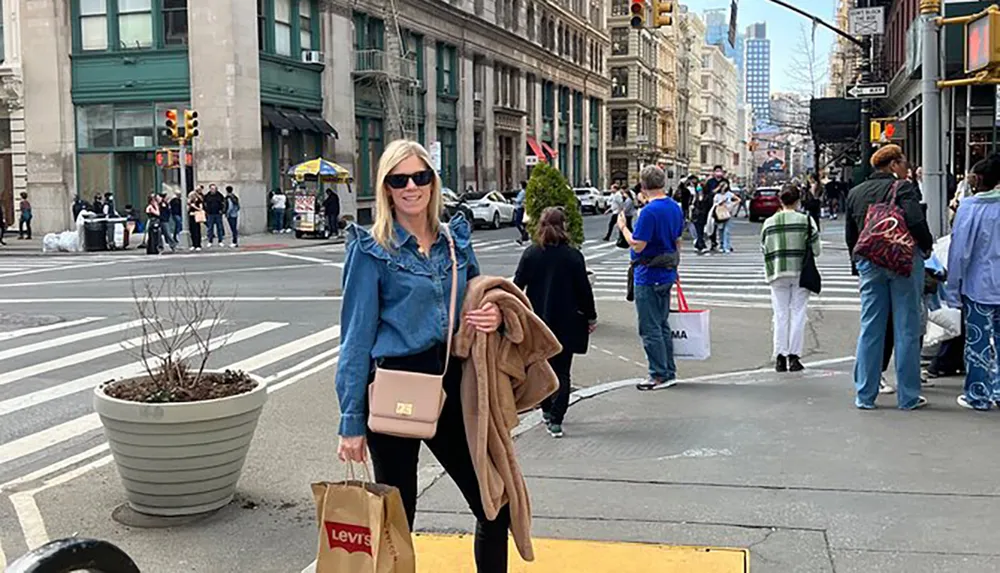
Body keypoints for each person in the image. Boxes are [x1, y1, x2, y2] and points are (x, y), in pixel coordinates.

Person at [335, 139, 509, 572]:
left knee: (494, 503)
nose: (411, 186)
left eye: (420, 177)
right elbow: (355, 339)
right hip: (394, 385)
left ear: (433, 182)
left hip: (450, 383)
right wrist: (351, 423)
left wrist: (491, 316)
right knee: (397, 524)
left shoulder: (455, 243)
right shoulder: (372, 250)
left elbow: (475, 299)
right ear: (386, 189)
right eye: (399, 179)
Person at [845, 144, 934, 410]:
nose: (907, 167)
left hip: (870, 264)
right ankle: (908, 396)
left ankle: (865, 395)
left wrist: (856, 265)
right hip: (901, 262)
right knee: (906, 327)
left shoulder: (855, 193)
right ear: (893, 164)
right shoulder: (902, 187)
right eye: (904, 162)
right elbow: (916, 221)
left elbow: (852, 235)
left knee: (871, 327)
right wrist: (927, 245)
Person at [514, 207, 597, 438]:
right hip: (568, 322)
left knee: (540, 368)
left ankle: (546, 409)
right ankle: (556, 420)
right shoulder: (573, 256)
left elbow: (517, 286)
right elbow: (584, 291)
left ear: (540, 226)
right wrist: (591, 316)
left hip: (538, 322)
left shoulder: (531, 254)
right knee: (563, 372)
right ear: (564, 227)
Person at [617, 165, 684, 390]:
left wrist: (623, 228)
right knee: (662, 323)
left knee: (649, 326)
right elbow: (677, 241)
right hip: (666, 271)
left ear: (643, 186)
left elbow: (638, 244)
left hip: (648, 273)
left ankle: (658, 374)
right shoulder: (675, 207)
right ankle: (668, 370)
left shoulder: (648, 212)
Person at [945, 153, 1000, 410]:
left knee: (978, 341)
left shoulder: (969, 208)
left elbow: (959, 252)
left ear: (977, 179)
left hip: (979, 284)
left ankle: (978, 394)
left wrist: (953, 290)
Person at [761, 184, 821, 372]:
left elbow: (764, 248)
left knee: (780, 314)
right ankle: (794, 356)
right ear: (797, 201)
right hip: (801, 272)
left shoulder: (769, 223)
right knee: (798, 313)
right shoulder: (806, 221)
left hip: (777, 271)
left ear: (780, 200)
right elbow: (817, 250)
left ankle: (780, 356)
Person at [712, 181, 739, 253]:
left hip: (727, 214)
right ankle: (722, 245)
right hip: (719, 214)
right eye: (722, 187)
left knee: (727, 231)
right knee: (720, 230)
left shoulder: (729, 194)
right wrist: (720, 203)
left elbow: (738, 199)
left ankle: (726, 247)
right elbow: (714, 204)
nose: (723, 189)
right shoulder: (717, 195)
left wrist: (732, 205)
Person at [187, 186, 205, 251]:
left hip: (197, 215)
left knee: (197, 230)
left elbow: (201, 208)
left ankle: (198, 244)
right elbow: (188, 206)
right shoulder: (190, 201)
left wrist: (194, 206)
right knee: (192, 230)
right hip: (191, 215)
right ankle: (193, 244)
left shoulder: (199, 199)